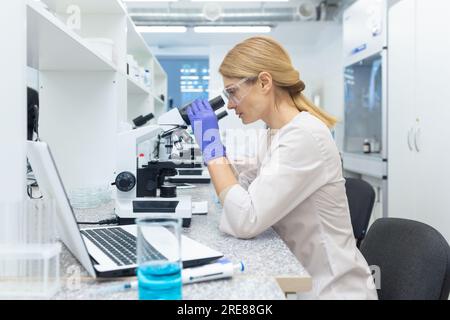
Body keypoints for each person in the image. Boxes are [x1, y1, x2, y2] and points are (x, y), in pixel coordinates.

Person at [186, 36, 377, 300]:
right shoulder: (276, 133)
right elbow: (241, 192)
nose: (229, 105)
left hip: (332, 291)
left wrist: (211, 148)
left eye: (232, 92)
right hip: (301, 280)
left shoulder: (304, 135)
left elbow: (245, 219)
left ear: (264, 82)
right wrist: (214, 148)